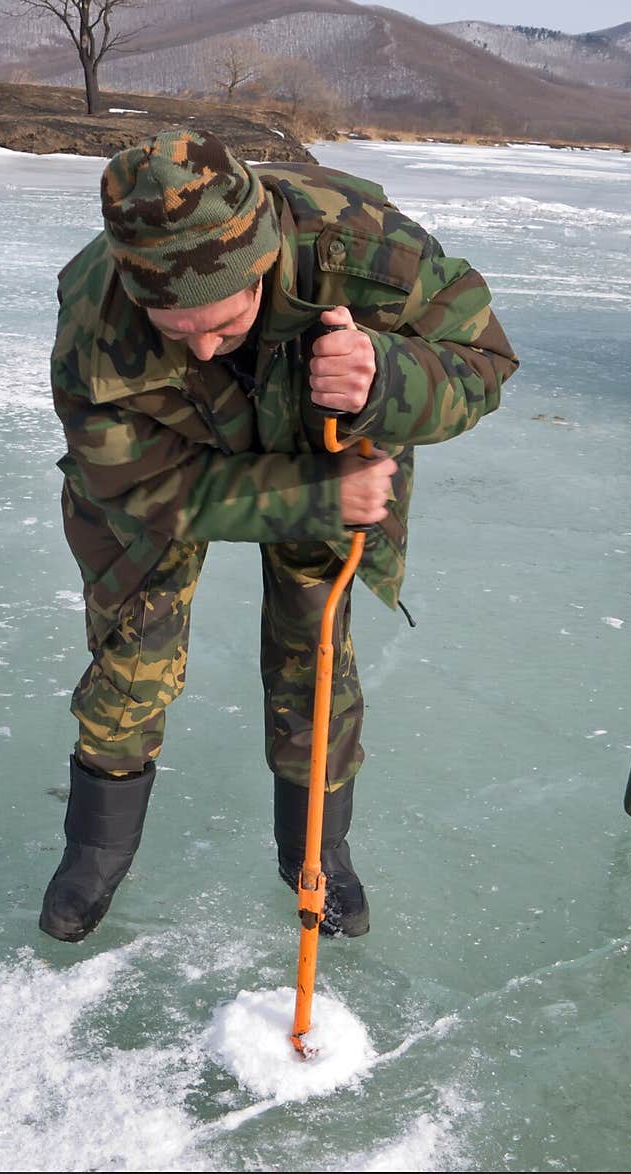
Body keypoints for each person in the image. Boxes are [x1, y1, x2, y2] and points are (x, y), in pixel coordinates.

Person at [39, 129, 518, 943]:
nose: (198, 345)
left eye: (222, 324)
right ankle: (96, 852)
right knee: (132, 647)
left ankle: (315, 854)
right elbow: (140, 485)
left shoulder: (367, 251)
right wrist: (312, 497)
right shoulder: (95, 317)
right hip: (179, 460)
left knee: (315, 646)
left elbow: (484, 361)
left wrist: (385, 379)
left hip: (320, 434)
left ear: (261, 267)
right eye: (173, 324)